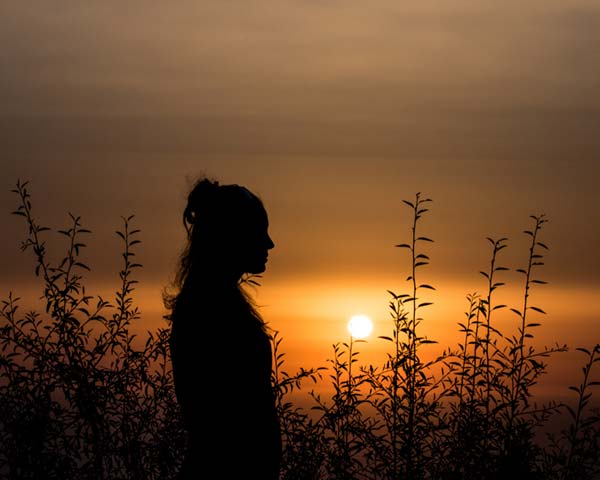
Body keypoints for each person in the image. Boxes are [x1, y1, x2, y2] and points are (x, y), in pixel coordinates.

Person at [166, 177, 281, 479]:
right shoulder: (209, 310)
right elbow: (221, 418)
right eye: (260, 232)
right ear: (233, 235)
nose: (269, 243)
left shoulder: (212, 302)